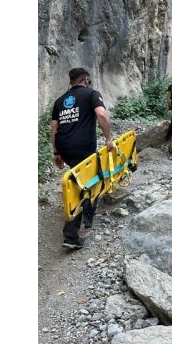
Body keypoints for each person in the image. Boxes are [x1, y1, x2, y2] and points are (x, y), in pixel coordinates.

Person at [50, 67, 116, 250]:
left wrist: (56, 153)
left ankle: (88, 218)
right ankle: (71, 236)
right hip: (82, 147)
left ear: (71, 81)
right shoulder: (92, 94)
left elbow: (54, 129)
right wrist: (109, 139)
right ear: (86, 79)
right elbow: (102, 114)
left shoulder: (59, 101)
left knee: (81, 178)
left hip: (65, 147)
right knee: (85, 183)